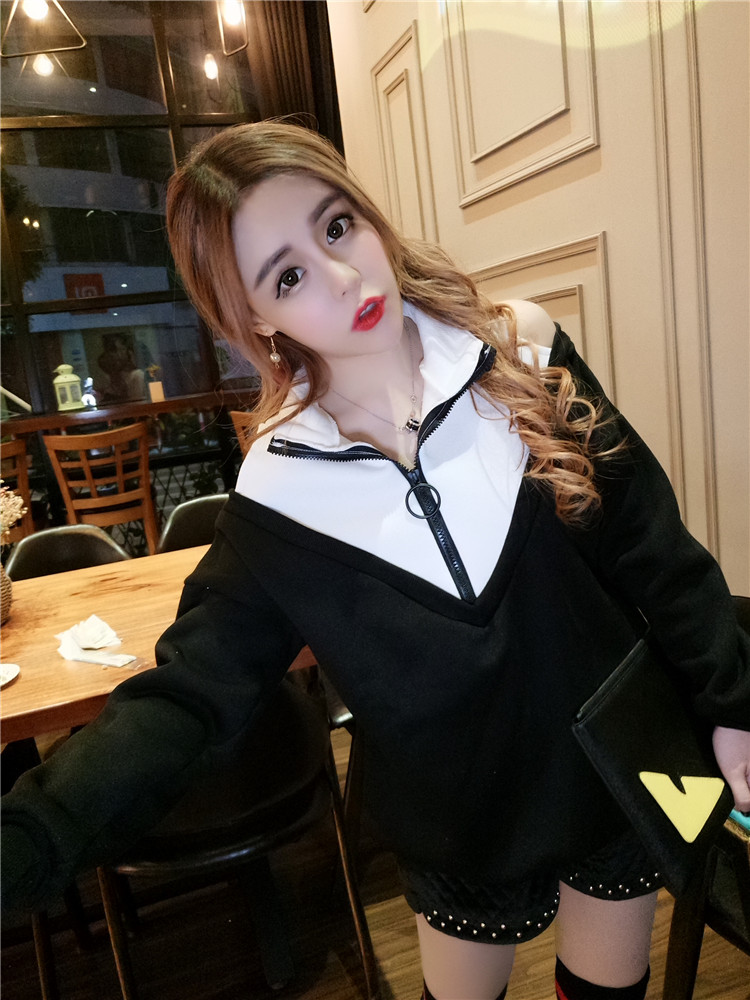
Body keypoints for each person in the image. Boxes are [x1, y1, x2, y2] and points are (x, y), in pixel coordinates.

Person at [3, 122, 749, 1000]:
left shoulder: (522, 349)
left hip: (613, 767)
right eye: (287, 277)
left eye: (337, 226)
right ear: (257, 319)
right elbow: (188, 697)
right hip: (458, 817)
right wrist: (32, 837)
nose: (343, 276)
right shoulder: (279, 492)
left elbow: (651, 544)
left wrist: (731, 701)